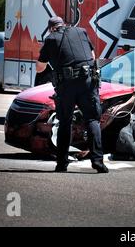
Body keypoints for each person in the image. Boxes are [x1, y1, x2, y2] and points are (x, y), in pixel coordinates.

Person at [36, 16, 108, 173]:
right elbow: (93, 56)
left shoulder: (50, 39)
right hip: (87, 82)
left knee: (65, 122)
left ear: (51, 28)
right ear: (64, 24)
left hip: (66, 86)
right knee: (92, 120)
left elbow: (39, 68)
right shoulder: (81, 32)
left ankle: (62, 164)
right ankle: (98, 162)